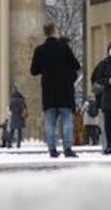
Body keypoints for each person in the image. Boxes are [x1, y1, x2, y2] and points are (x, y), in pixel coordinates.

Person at [30, 22, 81, 158]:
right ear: (54, 31)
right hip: (65, 90)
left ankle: (52, 149)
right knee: (66, 121)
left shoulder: (40, 50)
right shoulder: (63, 48)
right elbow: (76, 65)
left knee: (49, 122)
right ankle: (68, 148)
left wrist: (46, 68)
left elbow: (34, 71)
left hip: (49, 91)